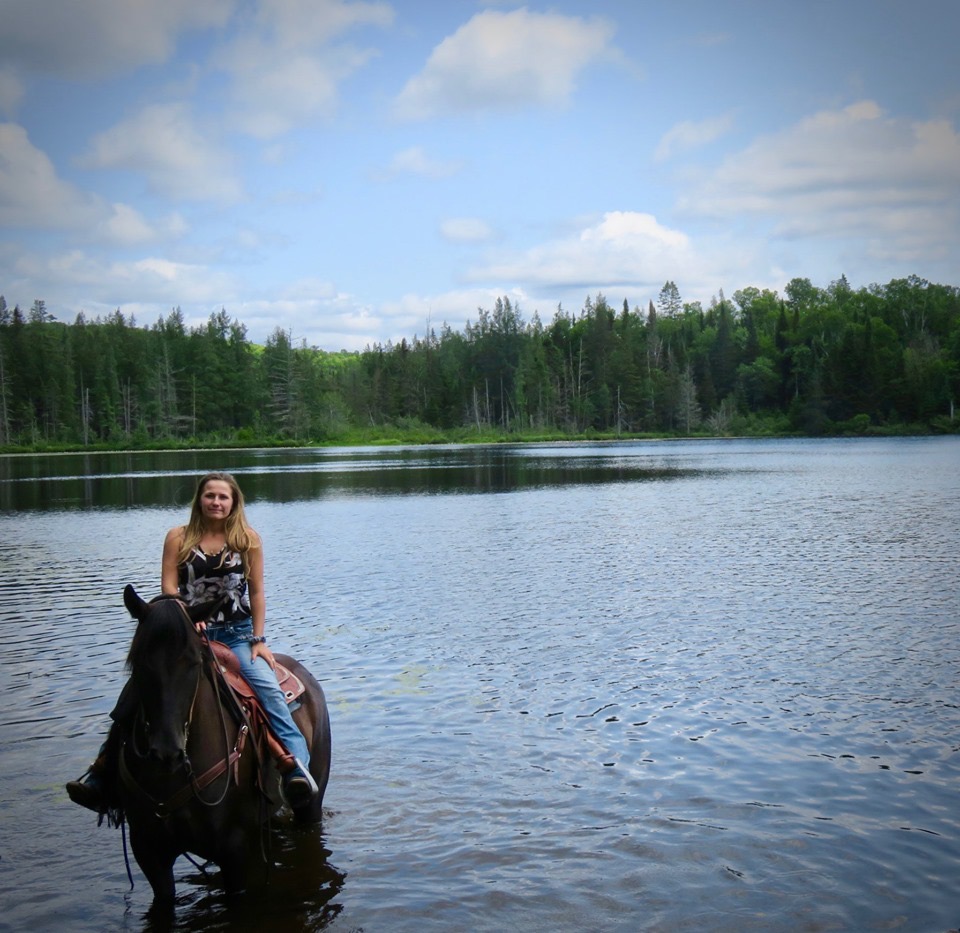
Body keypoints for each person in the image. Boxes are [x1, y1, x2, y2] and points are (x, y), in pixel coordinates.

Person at [67, 471, 317, 815]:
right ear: (199, 499)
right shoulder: (178, 537)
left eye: (223, 497)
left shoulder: (247, 539)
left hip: (236, 635)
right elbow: (169, 586)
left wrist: (259, 640)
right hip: (186, 634)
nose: (216, 502)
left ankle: (295, 770)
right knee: (140, 686)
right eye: (210, 495)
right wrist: (185, 615)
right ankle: (103, 771)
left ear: (234, 502)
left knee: (267, 691)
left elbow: (257, 592)